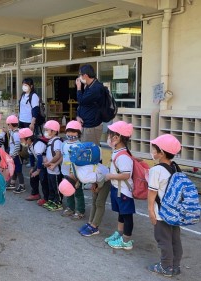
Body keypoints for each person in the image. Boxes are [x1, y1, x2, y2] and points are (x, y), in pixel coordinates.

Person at [147, 134, 183, 277]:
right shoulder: (175, 167)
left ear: (161, 152)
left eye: (154, 149)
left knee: (163, 240)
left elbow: (152, 193)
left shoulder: (156, 170)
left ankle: (165, 267)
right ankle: (175, 266)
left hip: (161, 213)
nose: (152, 151)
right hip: (175, 212)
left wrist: (151, 211)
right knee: (175, 239)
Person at [103, 121, 135, 250]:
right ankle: (120, 234)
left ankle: (126, 240)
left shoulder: (123, 156)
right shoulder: (118, 151)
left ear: (117, 138)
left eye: (110, 135)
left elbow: (126, 175)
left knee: (127, 215)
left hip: (124, 191)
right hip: (118, 188)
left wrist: (110, 176)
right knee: (121, 214)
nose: (108, 138)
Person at [60, 121, 85, 220]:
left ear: (78, 133)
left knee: (78, 192)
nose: (71, 134)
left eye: (74, 132)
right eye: (69, 132)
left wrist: (78, 178)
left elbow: (81, 162)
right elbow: (63, 156)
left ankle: (80, 210)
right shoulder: (64, 144)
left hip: (76, 174)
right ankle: (70, 208)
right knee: (67, 191)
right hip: (66, 172)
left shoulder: (80, 146)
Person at [76, 64, 104, 146]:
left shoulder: (96, 88)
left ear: (85, 75)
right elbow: (83, 105)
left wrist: (78, 88)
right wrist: (78, 116)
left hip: (92, 126)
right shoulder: (89, 86)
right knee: (85, 151)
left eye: (80, 75)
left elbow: (81, 101)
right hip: (86, 124)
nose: (79, 77)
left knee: (89, 152)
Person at [19, 128, 47, 203]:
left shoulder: (37, 144)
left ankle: (46, 198)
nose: (21, 141)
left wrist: (38, 170)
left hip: (45, 163)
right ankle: (35, 194)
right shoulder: (30, 145)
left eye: (22, 139)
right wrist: (32, 167)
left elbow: (40, 158)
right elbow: (31, 156)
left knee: (43, 180)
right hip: (40, 162)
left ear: (28, 139)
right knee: (32, 176)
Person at [42, 120, 63, 211]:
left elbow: (58, 155)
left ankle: (58, 203)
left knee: (56, 187)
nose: (45, 132)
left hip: (55, 170)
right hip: (50, 169)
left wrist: (50, 162)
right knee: (51, 187)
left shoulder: (57, 141)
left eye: (47, 130)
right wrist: (46, 160)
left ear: (54, 131)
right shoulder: (51, 141)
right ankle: (51, 200)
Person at [6, 115, 25, 194]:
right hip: (14, 155)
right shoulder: (14, 132)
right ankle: (12, 183)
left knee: (18, 170)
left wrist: (13, 155)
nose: (8, 126)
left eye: (8, 124)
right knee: (14, 169)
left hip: (17, 155)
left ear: (10, 124)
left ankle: (22, 185)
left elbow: (17, 146)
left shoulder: (16, 134)